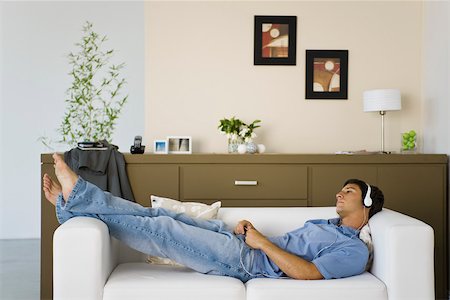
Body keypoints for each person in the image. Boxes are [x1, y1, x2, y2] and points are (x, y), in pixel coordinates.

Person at [43, 153, 384, 282]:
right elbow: (291, 248)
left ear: (366, 204)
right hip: (241, 241)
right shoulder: (329, 225)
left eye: (349, 192)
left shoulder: (353, 250)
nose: (339, 194)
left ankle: (76, 200)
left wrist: (260, 242)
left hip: (245, 260)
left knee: (161, 229)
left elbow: (308, 272)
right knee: (162, 213)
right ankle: (74, 202)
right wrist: (253, 232)